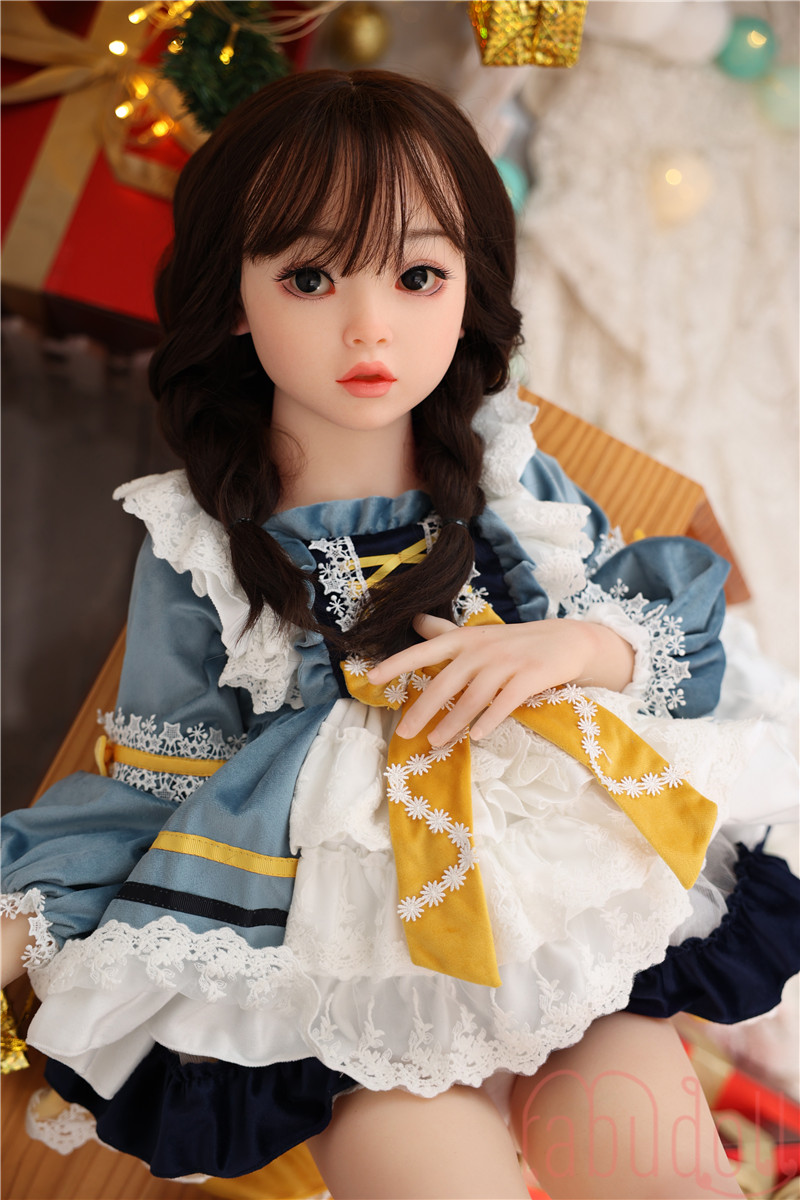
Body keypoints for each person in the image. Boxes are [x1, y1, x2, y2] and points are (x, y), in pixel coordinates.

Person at [2, 69, 798, 1200]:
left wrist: (568, 649)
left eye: (418, 275)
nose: (370, 326)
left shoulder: (508, 472)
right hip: (345, 974)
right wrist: (23, 914)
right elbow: (156, 782)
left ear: (467, 289)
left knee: (657, 1171)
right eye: (311, 277)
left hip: (563, 913)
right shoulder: (197, 545)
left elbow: (665, 633)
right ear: (236, 298)